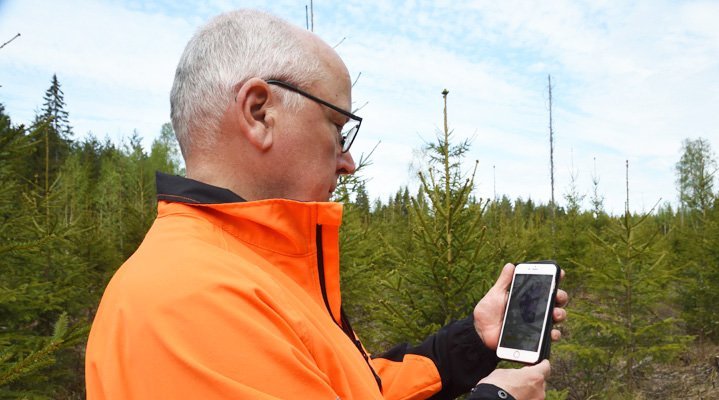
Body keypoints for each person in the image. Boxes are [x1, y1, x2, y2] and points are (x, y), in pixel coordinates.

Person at [85, 9, 568, 400]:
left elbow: (359, 387)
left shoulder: (247, 270)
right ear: (260, 112)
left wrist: (473, 340)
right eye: (339, 128)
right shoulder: (188, 298)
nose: (348, 161)